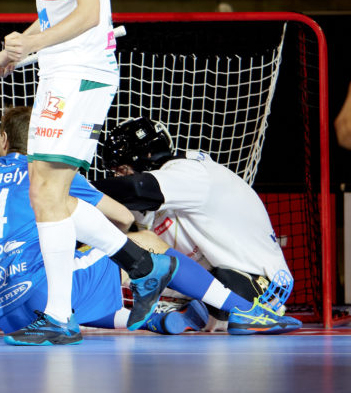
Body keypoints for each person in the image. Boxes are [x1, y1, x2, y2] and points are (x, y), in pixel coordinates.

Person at [0, 0, 176, 345]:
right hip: (59, 70)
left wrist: (34, 42)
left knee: (48, 191)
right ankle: (138, 261)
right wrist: (18, 47)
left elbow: (90, 15)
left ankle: (63, 315)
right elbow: (60, 11)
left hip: (82, 73)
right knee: (47, 192)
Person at [0, 107, 301, 338]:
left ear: (3, 140)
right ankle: (241, 310)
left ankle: (153, 319)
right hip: (42, 295)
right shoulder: (52, 172)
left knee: (79, 272)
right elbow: (125, 216)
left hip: (7, 316)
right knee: (140, 243)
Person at [95, 116, 300, 331]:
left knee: (137, 245)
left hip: (257, 283)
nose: (119, 178)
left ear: (146, 157)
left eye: (122, 171)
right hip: (218, 277)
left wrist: (75, 187)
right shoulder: (157, 199)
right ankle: (180, 314)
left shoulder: (191, 172)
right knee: (119, 250)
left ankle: (203, 313)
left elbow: (136, 188)